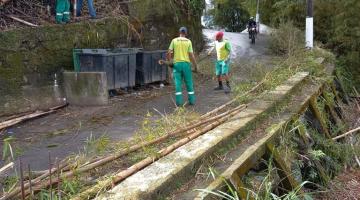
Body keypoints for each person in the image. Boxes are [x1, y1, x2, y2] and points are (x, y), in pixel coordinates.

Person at [167, 27, 198, 106]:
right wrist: (195, 66)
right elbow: (191, 55)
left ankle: (179, 103)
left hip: (177, 64)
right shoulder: (188, 41)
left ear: (179, 32)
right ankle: (192, 101)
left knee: (178, 83)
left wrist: (170, 61)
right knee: (189, 83)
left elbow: (169, 51)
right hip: (186, 65)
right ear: (186, 33)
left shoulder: (174, 40)